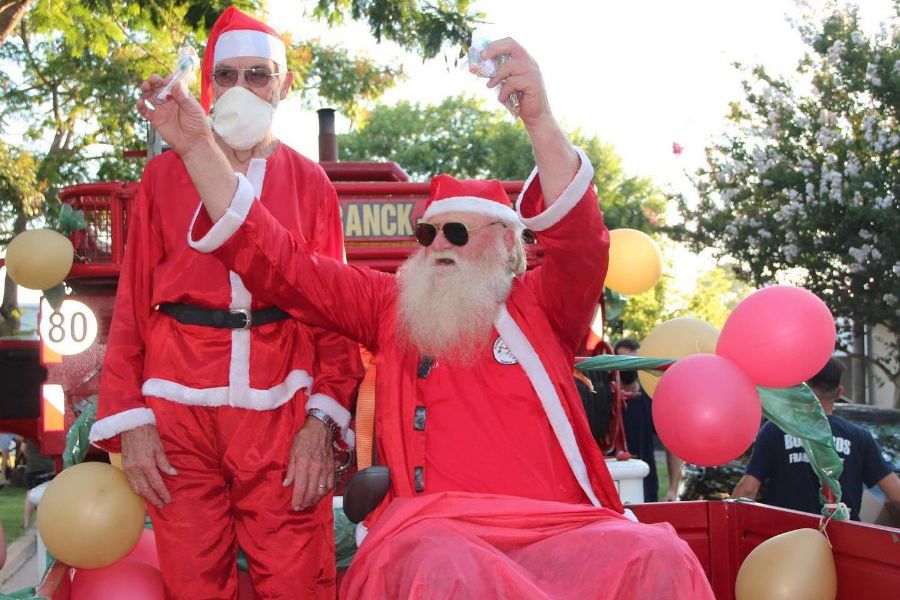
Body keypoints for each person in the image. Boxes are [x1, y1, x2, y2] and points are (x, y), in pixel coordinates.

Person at [137, 36, 714, 599]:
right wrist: (195, 150)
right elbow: (279, 264)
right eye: (428, 232)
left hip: (558, 524)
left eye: (458, 232)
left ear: (508, 249)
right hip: (436, 530)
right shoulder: (391, 306)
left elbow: (582, 243)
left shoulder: (543, 306)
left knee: (660, 555)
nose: (439, 244)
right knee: (444, 566)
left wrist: (539, 119)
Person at [89, 7, 363, 598]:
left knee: (298, 581)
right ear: (208, 85)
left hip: (282, 413)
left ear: (284, 84)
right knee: (192, 585)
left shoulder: (312, 183)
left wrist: (322, 422)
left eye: (259, 75)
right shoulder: (161, 178)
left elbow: (336, 315)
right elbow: (133, 309)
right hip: (176, 414)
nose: (242, 89)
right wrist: (133, 422)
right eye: (228, 75)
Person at [732, 357, 900, 521]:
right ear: (839, 392)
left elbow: (748, 489)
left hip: (787, 541)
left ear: (802, 390)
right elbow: (896, 494)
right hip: (842, 542)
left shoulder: (775, 430)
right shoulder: (859, 437)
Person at [614, 338, 683, 502]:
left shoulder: (650, 399)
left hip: (645, 486)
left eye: (634, 361)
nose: (629, 367)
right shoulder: (604, 400)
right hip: (613, 483)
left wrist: (673, 489)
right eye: (624, 361)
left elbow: (671, 444)